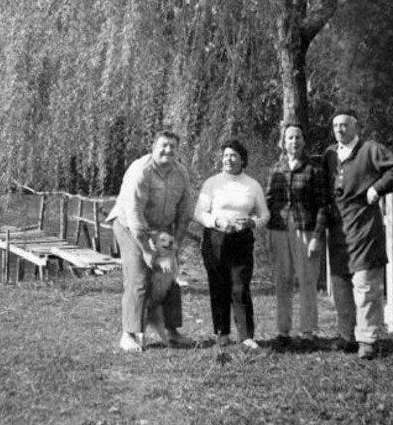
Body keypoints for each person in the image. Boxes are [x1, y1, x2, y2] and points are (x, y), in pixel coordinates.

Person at [324, 110, 393, 360]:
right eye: (336, 125)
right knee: (340, 284)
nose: (340, 129)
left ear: (356, 128)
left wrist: (377, 188)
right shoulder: (329, 154)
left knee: (365, 284)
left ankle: (368, 339)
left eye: (345, 125)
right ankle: (346, 335)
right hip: (338, 228)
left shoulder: (370, 149)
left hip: (364, 226)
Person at [107, 130, 195, 352]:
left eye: (173, 146)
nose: (168, 150)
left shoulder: (180, 173)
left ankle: (171, 330)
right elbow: (135, 215)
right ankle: (130, 333)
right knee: (139, 276)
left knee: (169, 275)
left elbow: (185, 213)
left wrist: (175, 247)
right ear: (153, 147)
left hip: (162, 229)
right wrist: (146, 250)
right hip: (130, 226)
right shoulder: (141, 171)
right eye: (163, 145)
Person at [194, 140, 270, 350]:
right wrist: (217, 221)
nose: (228, 159)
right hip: (215, 239)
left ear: (242, 160)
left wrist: (251, 222)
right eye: (226, 155)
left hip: (241, 240)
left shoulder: (252, 185)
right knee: (218, 286)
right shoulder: (212, 183)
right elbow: (199, 213)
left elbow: (264, 214)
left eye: (233, 155)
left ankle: (246, 335)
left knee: (240, 286)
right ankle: (222, 333)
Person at [266, 123, 329, 346]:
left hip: (306, 229)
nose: (294, 142)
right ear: (283, 142)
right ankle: (283, 332)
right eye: (290, 138)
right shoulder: (276, 168)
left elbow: (323, 205)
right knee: (282, 281)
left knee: (307, 280)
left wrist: (317, 237)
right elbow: (269, 200)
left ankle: (307, 332)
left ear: (303, 141)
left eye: (298, 137)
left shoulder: (314, 168)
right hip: (279, 229)